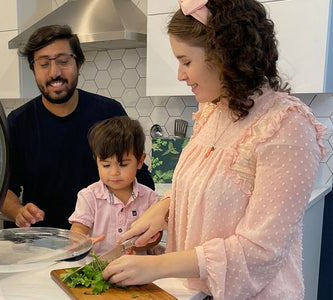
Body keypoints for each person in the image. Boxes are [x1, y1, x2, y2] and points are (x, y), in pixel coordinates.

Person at [102, 0, 327, 299]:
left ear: (225, 55)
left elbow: (260, 251)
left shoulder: (286, 128)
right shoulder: (213, 110)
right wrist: (163, 209)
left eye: (186, 61)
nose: (180, 76)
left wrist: (157, 267)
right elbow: (205, 186)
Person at [1, 25, 154, 229]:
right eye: (44, 64)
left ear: (79, 63)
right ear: (33, 68)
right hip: (41, 244)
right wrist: (18, 211)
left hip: (101, 244)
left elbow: (140, 177)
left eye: (63, 62)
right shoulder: (18, 122)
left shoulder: (108, 113)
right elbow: (3, 189)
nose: (55, 72)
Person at [68, 116, 160, 256]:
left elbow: (155, 236)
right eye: (106, 165)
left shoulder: (150, 198)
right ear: (96, 161)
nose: (114, 172)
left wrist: (139, 248)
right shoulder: (89, 196)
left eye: (123, 164)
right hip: (97, 268)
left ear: (140, 161)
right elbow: (78, 227)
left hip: (138, 269)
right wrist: (79, 241)